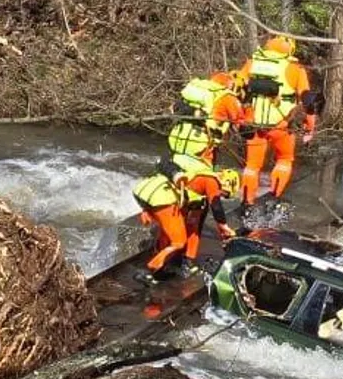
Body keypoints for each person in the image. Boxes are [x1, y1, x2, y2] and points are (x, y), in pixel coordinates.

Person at [236, 35, 317, 208]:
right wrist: (310, 127)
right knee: (284, 160)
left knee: (251, 166)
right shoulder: (295, 69)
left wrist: (239, 118)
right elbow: (308, 101)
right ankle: (274, 195)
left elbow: (236, 88)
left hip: (254, 124)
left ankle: (246, 202)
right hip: (282, 125)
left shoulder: (252, 63)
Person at [131, 163, 239, 282]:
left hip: (148, 193)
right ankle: (148, 270)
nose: (221, 196)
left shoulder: (197, 175)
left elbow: (192, 215)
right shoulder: (213, 182)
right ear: (227, 184)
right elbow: (216, 206)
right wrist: (223, 226)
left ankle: (161, 267)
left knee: (167, 235)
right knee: (178, 242)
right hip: (162, 200)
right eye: (225, 194)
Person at [167, 72, 246, 165]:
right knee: (202, 174)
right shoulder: (227, 97)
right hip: (201, 146)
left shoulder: (196, 90)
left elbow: (173, 108)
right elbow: (245, 127)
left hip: (176, 139)